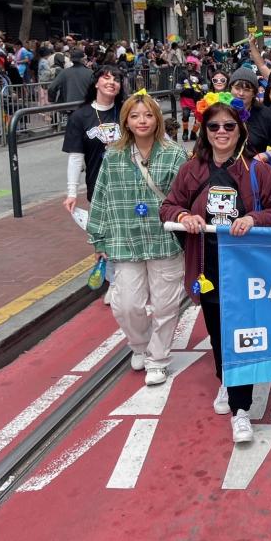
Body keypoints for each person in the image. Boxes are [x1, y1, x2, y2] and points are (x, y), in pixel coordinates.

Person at [160, 93, 271, 442]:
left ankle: (241, 408)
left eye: (229, 126)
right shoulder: (192, 170)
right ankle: (226, 376)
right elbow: (169, 206)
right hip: (207, 265)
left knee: (243, 329)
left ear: (240, 130)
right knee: (218, 329)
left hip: (247, 267)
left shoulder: (255, 169)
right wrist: (184, 216)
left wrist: (253, 217)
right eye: (214, 126)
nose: (222, 132)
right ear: (204, 130)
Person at [87, 92, 188, 385]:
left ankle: (158, 358)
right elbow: (101, 198)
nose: (142, 121)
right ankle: (140, 345)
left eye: (147, 115)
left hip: (164, 238)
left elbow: (185, 198)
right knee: (126, 303)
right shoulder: (113, 156)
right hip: (124, 238)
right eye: (134, 116)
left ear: (157, 119)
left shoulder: (174, 154)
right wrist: (98, 239)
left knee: (166, 304)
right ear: (126, 122)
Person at [62, 65, 127, 213]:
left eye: (116, 79)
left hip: (130, 186)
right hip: (98, 187)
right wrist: (72, 193)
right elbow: (76, 157)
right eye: (106, 77)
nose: (112, 82)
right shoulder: (80, 116)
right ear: (96, 83)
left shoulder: (128, 111)